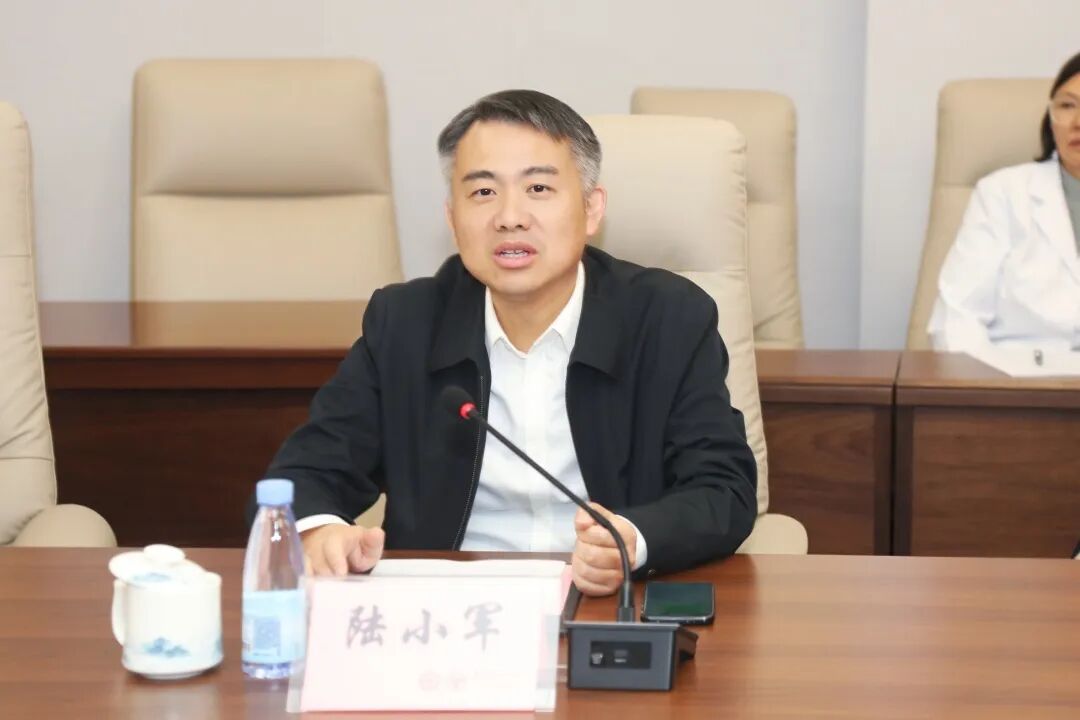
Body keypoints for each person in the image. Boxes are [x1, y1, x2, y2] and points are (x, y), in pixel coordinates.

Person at [248, 90, 757, 596]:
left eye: (538, 188)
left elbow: (724, 489)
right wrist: (319, 531)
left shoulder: (667, 318)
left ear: (591, 208)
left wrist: (635, 540)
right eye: (483, 192)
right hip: (445, 611)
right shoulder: (405, 323)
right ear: (452, 218)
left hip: (607, 606)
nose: (510, 216)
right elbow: (305, 474)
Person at [928, 52, 1080, 362]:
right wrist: (988, 384)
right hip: (1022, 378)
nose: (1078, 122)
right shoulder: (1004, 193)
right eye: (1067, 106)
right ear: (1051, 119)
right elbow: (958, 315)